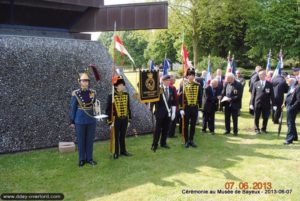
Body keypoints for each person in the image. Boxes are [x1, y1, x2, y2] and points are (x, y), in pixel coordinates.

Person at [70, 72, 97, 167]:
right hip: (80, 120)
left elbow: (95, 106)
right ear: (80, 82)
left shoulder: (93, 92)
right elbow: (73, 108)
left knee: (90, 140)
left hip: (91, 120)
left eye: (87, 81)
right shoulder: (76, 93)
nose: (85, 83)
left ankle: (89, 158)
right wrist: (72, 121)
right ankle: (82, 159)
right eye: (83, 81)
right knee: (81, 140)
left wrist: (97, 114)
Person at [106, 75, 132, 159]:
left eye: (123, 85)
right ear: (116, 86)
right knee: (116, 136)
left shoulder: (126, 95)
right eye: (121, 85)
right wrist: (110, 122)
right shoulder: (111, 96)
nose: (123, 86)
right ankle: (116, 152)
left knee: (123, 136)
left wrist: (129, 120)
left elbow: (128, 107)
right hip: (115, 120)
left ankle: (123, 151)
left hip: (124, 119)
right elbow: (108, 110)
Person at [151, 74, 176, 152]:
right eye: (167, 80)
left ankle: (163, 143)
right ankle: (154, 144)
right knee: (157, 130)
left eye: (169, 80)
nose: (168, 82)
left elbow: (174, 101)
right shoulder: (158, 89)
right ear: (163, 81)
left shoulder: (172, 89)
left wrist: (173, 112)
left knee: (166, 129)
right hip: (159, 113)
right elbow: (153, 101)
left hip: (168, 113)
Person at [179, 68, 201, 148]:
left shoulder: (197, 85)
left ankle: (191, 140)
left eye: (193, 75)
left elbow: (200, 97)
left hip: (194, 108)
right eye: (190, 75)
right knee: (185, 125)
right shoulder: (183, 85)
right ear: (187, 76)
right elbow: (180, 98)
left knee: (193, 125)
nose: (191, 77)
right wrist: (181, 108)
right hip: (186, 108)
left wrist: (200, 108)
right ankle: (186, 141)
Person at [250, 70, 276, 134]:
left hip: (266, 104)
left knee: (265, 117)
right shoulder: (256, 83)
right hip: (257, 103)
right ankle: (256, 129)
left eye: (261, 75)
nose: (260, 76)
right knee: (256, 117)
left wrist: (274, 104)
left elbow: (272, 95)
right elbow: (253, 94)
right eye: (259, 75)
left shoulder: (269, 84)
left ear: (265, 75)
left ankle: (263, 129)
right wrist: (251, 104)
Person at [284, 78, 300, 145]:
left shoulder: (297, 88)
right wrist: (284, 103)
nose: (287, 83)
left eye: (288, 82)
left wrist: (292, 107)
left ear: (292, 82)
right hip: (289, 107)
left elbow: (299, 100)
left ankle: (289, 139)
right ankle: (294, 136)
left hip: (292, 108)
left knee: (290, 123)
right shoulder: (291, 87)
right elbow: (288, 97)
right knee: (291, 122)